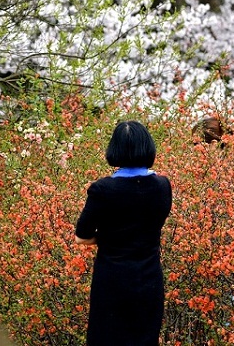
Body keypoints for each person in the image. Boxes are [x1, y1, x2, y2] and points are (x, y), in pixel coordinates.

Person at [74, 120, 173, 346]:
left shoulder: (103, 189)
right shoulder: (162, 186)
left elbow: (81, 237)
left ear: (115, 149)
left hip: (112, 282)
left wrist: (109, 237)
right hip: (149, 279)